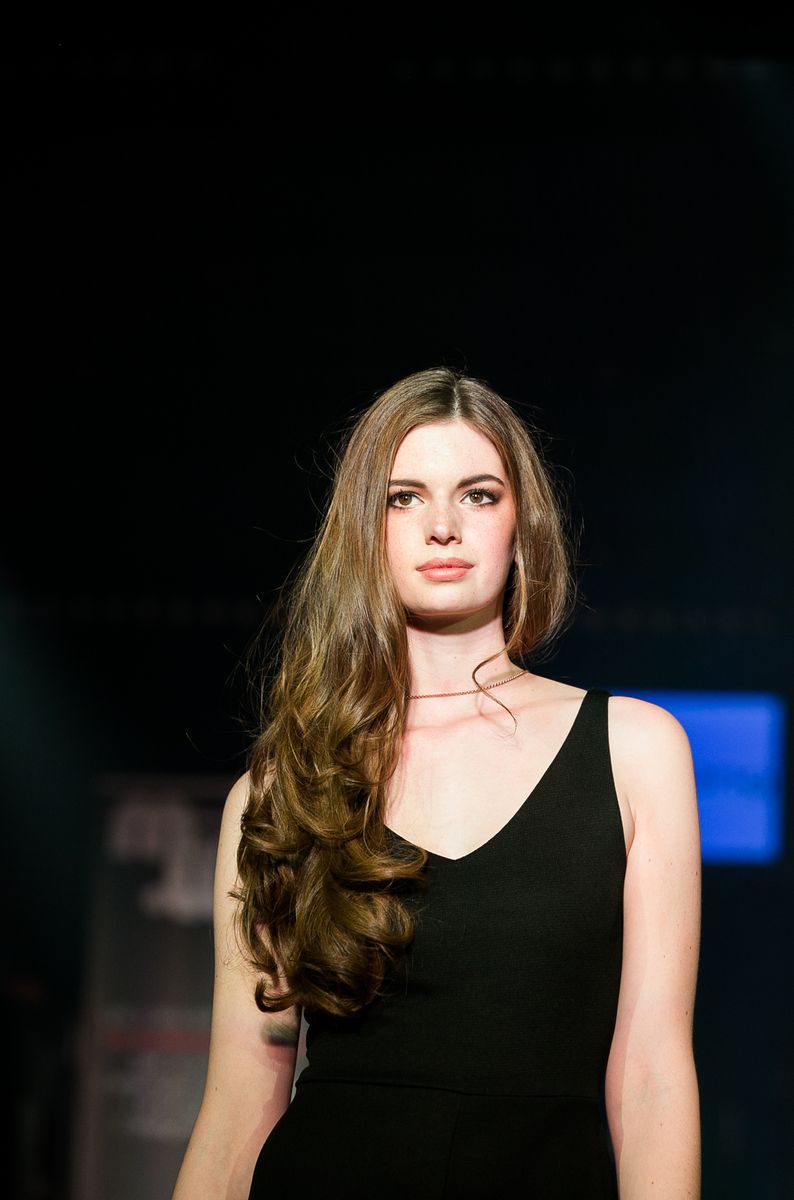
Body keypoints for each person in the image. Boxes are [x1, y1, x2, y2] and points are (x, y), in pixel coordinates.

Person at [172, 367, 702, 1199]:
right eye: (404, 498)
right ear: (365, 530)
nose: (443, 526)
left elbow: (652, 1071)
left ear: (523, 527)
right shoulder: (284, 788)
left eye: (479, 495)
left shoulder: (635, 751)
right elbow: (240, 1098)